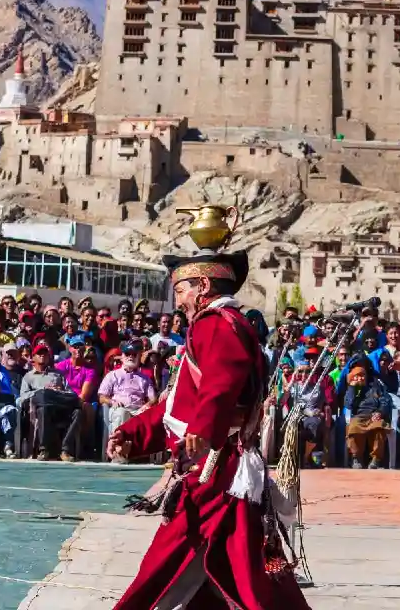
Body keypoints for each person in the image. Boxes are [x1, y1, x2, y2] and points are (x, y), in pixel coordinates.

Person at [105, 229, 308, 610]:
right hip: (217, 464)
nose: (177, 301)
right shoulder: (216, 325)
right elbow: (175, 407)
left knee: (173, 558)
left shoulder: (215, 324)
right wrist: (132, 433)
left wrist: (202, 429)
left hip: (215, 469)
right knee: (240, 566)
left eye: (180, 290)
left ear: (201, 286)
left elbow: (221, 384)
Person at [21, 342, 83, 461]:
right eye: (39, 353)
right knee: (43, 405)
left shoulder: (58, 374)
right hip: (43, 409)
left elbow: (70, 393)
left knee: (78, 411)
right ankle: (44, 450)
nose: (43, 355)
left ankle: (65, 450)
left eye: (45, 353)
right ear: (33, 357)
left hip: (60, 406)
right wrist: (42, 391)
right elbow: (22, 397)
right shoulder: (28, 376)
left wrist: (59, 391)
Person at [98, 347, 156, 462]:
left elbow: (154, 399)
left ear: (138, 358)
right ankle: (117, 451)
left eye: (134, 354)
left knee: (146, 415)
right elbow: (101, 397)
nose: (130, 356)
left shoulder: (145, 378)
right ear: (122, 357)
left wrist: (147, 405)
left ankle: (139, 454)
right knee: (122, 413)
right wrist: (112, 401)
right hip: (119, 407)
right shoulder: (112, 375)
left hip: (138, 408)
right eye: (127, 354)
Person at [344, 355, 392, 468]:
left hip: (374, 414)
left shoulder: (376, 385)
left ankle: (375, 459)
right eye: (357, 374)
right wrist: (352, 388)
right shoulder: (351, 386)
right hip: (359, 415)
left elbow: (385, 400)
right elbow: (348, 405)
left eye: (362, 374)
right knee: (353, 427)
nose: (360, 377)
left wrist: (380, 412)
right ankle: (356, 458)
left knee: (379, 427)